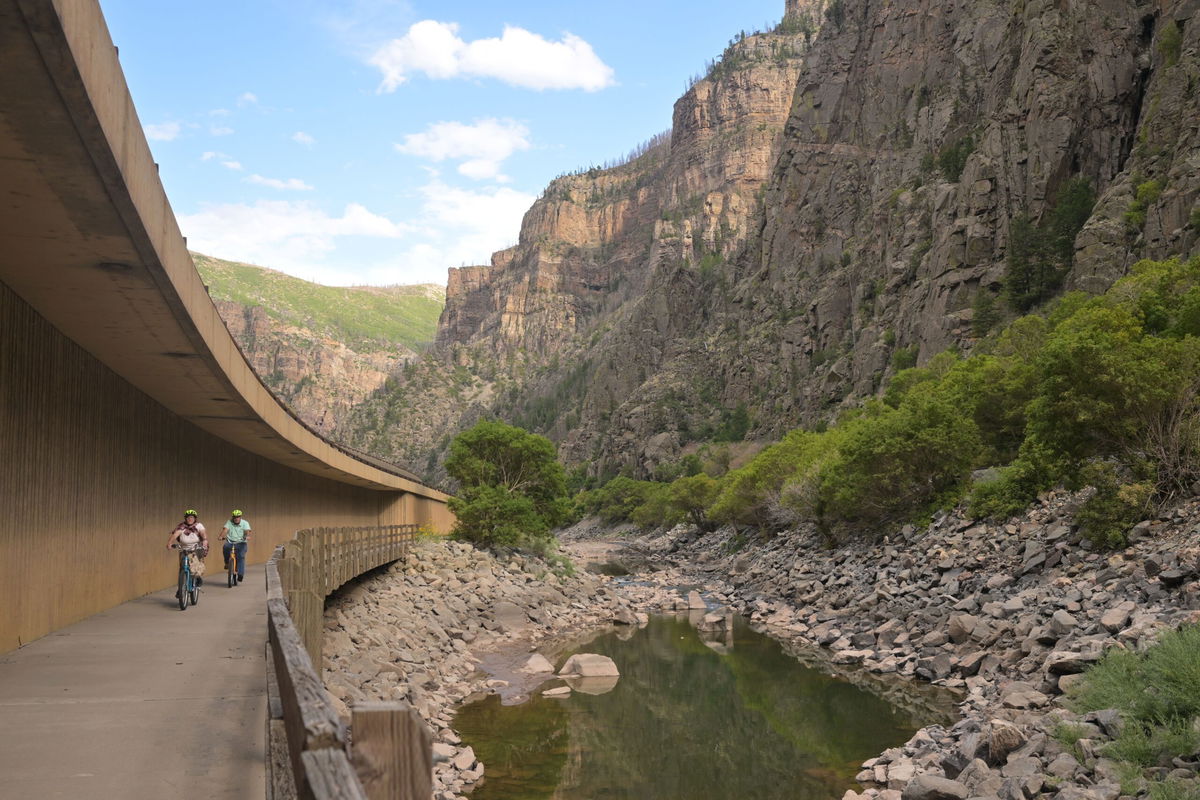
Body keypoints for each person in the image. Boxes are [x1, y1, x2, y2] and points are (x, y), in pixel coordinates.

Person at [166, 509, 208, 595]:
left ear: (195, 518)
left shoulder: (198, 525)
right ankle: (180, 589)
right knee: (182, 568)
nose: (190, 519)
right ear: (185, 518)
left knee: (196, 565)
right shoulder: (181, 526)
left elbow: (203, 532)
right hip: (184, 549)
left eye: (192, 517)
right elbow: (175, 535)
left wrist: (204, 540)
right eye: (188, 517)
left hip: (196, 547)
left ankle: (197, 577)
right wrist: (170, 543)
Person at [221, 509, 251, 584]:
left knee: (240, 556)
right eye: (235, 517)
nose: (236, 518)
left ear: (240, 517)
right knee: (225, 547)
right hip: (230, 541)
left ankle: (240, 574)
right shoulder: (229, 522)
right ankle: (227, 563)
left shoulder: (245, 523)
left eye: (238, 517)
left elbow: (247, 531)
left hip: (241, 542)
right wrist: (221, 536)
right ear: (233, 517)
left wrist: (247, 536)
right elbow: (225, 530)